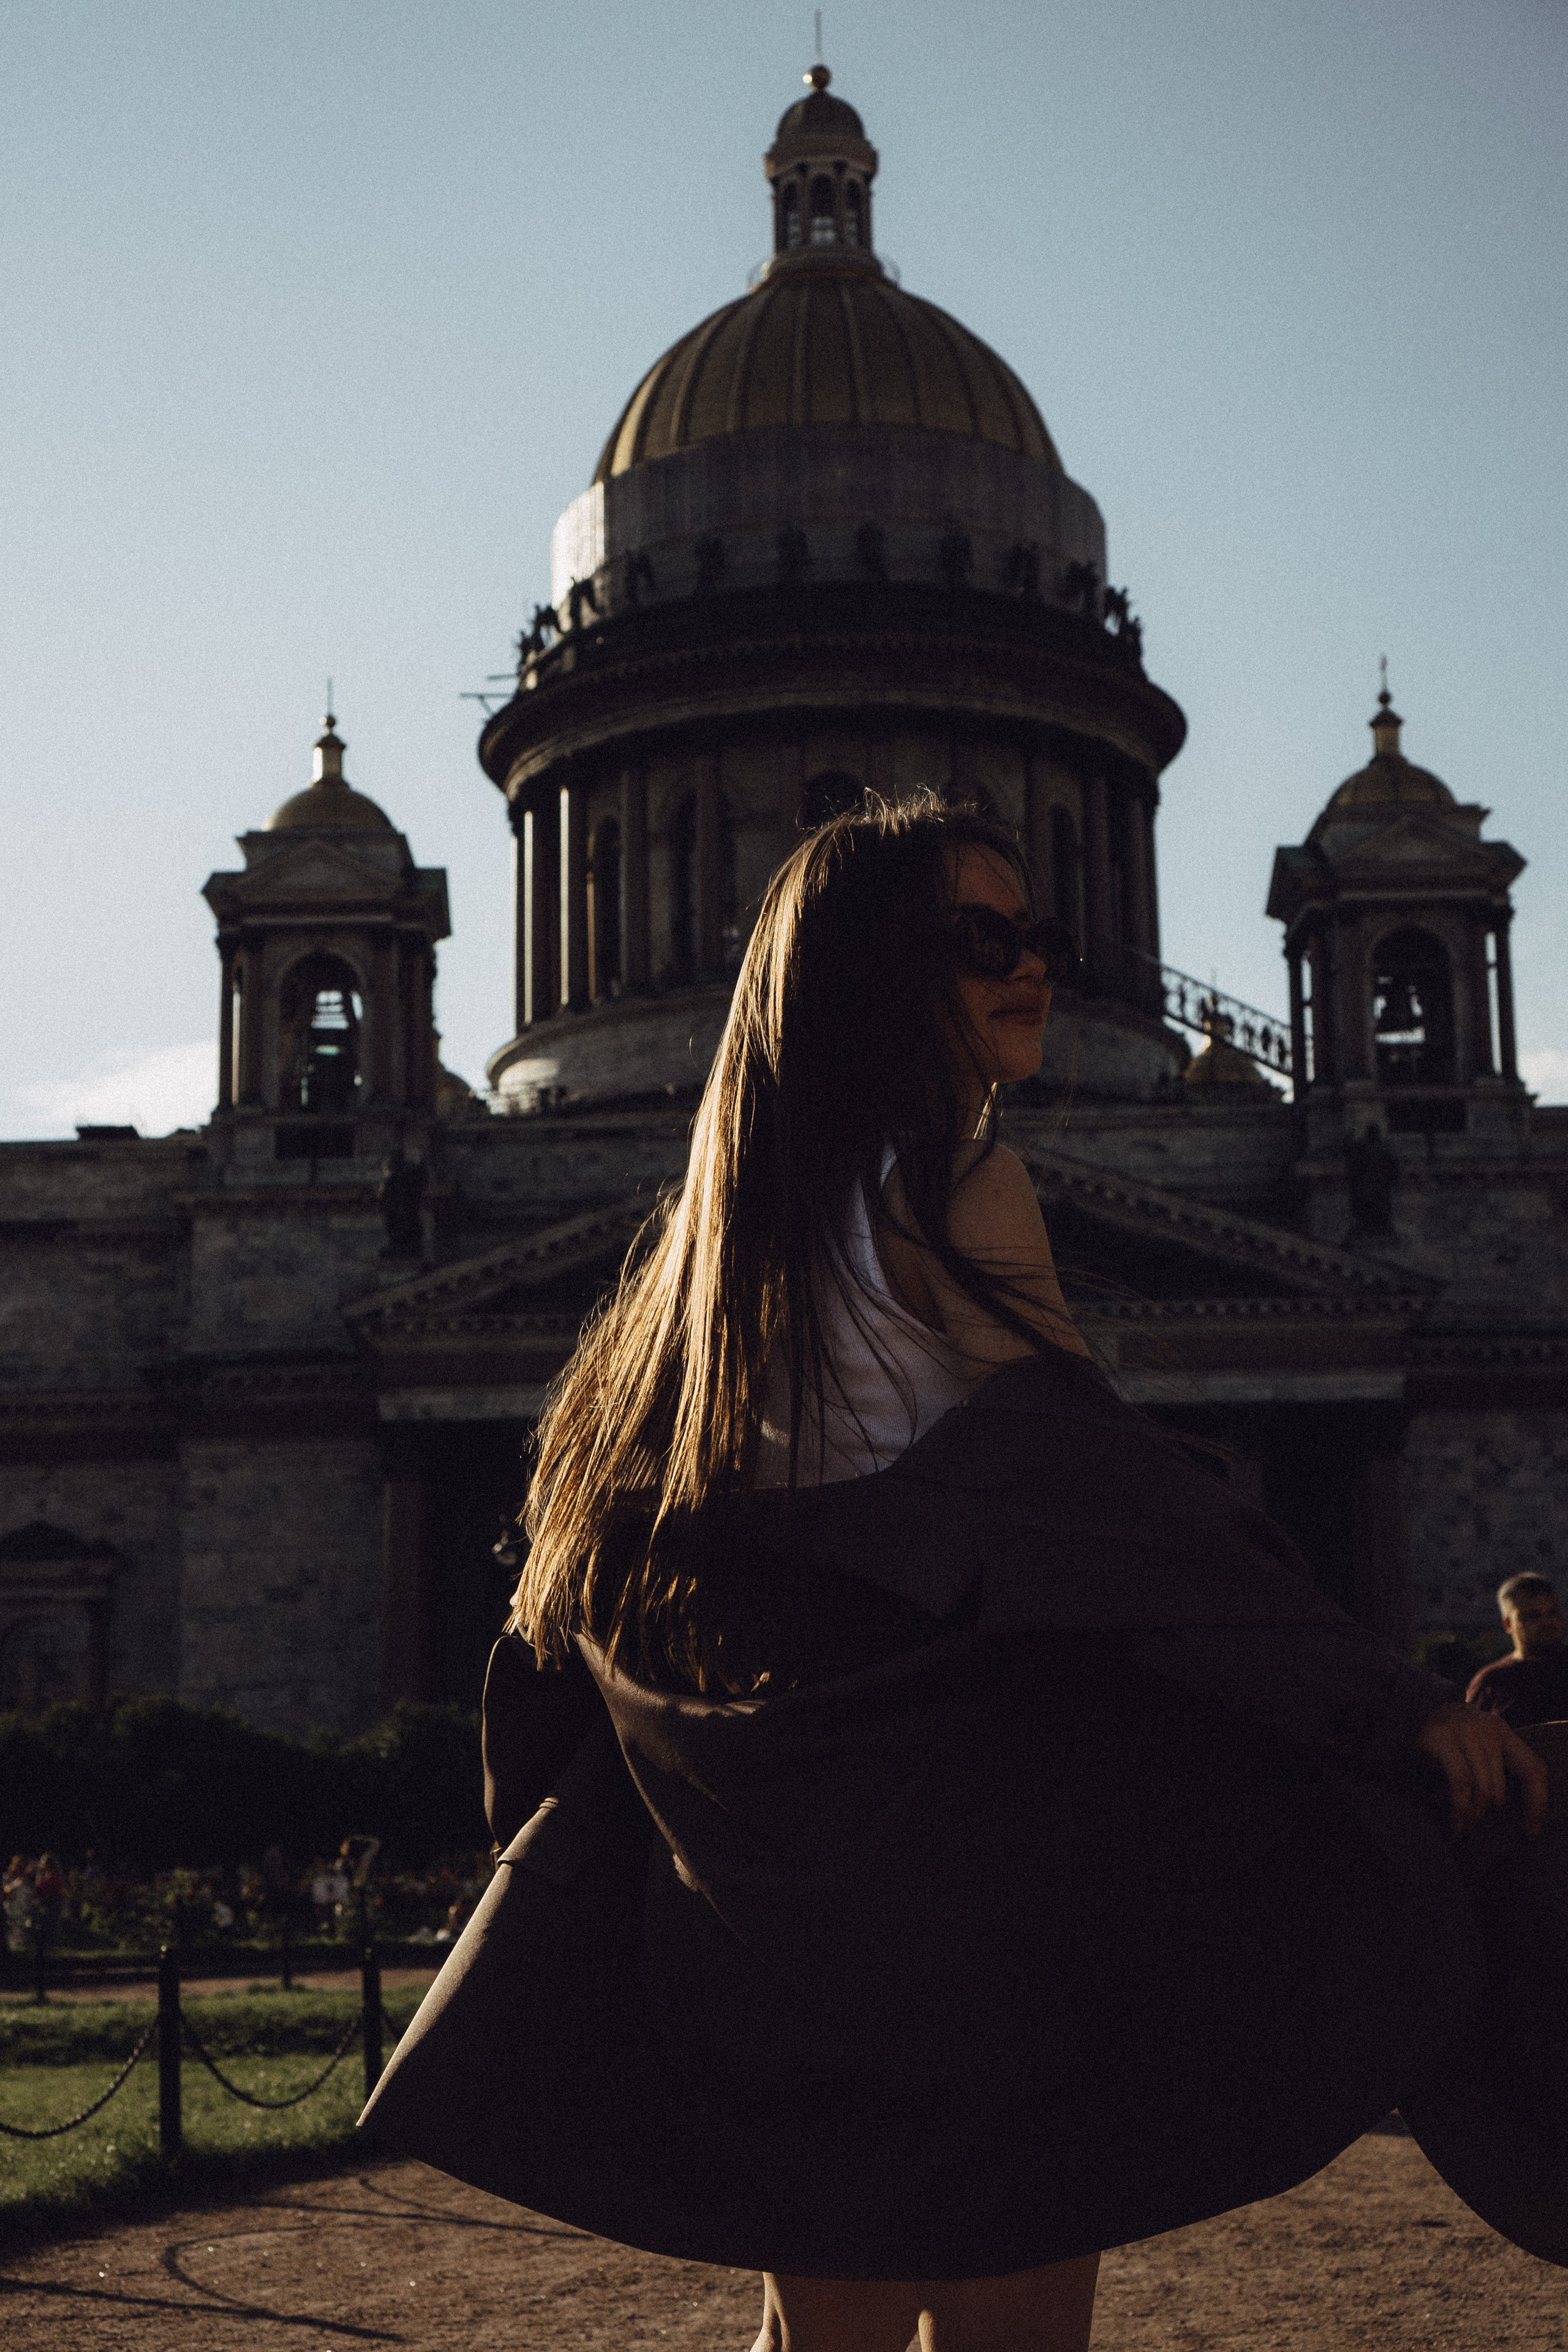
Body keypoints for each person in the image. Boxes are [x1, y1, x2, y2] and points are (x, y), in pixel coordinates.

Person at [363, 797, 1551, 2352]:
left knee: (823, 2317)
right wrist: (1379, 1699)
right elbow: (1106, 1505)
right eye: (978, 941)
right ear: (868, 970)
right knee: (1011, 2303)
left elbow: (570, 1599)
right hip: (963, 1876)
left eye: (1041, 935)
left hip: (773, 1879)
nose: (1034, 969)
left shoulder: (702, 1255)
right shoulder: (961, 1186)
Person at [1467, 1575, 1568, 1725]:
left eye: (1552, 1613)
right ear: (1508, 1624)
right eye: (1532, 1616)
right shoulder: (1492, 1682)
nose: (1546, 1622)